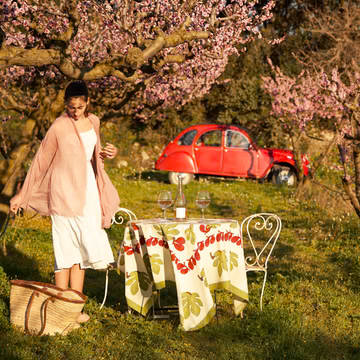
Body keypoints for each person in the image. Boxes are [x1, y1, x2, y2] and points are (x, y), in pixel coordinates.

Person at [10, 81, 120, 323]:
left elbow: (94, 156)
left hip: (88, 194)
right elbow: (41, 161)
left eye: (80, 107)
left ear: (88, 102)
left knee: (80, 252)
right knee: (64, 251)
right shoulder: (59, 126)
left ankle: (74, 309)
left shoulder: (95, 122)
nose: (76, 111)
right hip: (62, 194)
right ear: (66, 105)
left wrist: (109, 153)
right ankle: (59, 308)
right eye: (71, 107)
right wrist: (22, 195)